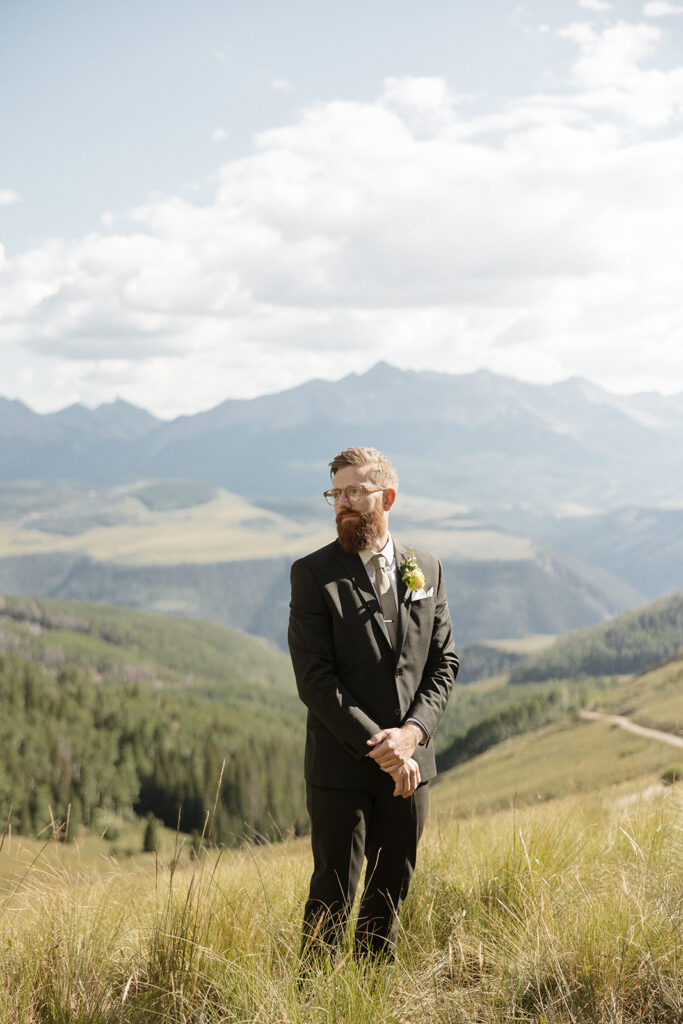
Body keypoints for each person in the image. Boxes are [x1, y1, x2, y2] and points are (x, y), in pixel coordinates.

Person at [288, 446, 458, 963]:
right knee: (331, 899)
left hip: (411, 770)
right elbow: (315, 678)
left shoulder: (425, 568)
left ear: (388, 496)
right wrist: (381, 745)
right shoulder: (313, 574)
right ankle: (313, 1005)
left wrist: (411, 735)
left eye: (355, 491)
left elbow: (443, 663)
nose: (343, 504)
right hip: (341, 767)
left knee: (390, 895)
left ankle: (367, 1000)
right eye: (335, 493)